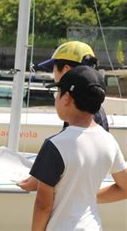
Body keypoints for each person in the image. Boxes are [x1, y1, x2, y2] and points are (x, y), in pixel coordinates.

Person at [29, 66, 127, 231]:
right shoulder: (108, 141)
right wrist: (85, 199)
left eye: (57, 93)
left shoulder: (54, 145)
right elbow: (125, 188)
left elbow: (43, 205)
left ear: (66, 98)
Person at [18, 40, 108, 191]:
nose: (54, 77)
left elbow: (67, 157)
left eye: (54, 70)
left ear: (65, 70)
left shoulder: (78, 112)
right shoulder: (94, 108)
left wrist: (36, 180)